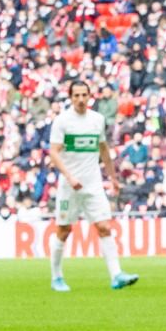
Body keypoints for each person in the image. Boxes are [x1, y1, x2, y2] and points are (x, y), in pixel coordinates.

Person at [47, 81, 139, 291]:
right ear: (70, 97)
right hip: (69, 186)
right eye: (76, 95)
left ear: (90, 97)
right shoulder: (62, 121)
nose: (80, 99)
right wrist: (69, 177)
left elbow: (103, 149)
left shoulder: (97, 120)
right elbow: (53, 152)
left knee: (104, 226)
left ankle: (116, 275)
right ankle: (56, 277)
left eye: (84, 95)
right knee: (63, 230)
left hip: (93, 183)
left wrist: (113, 178)